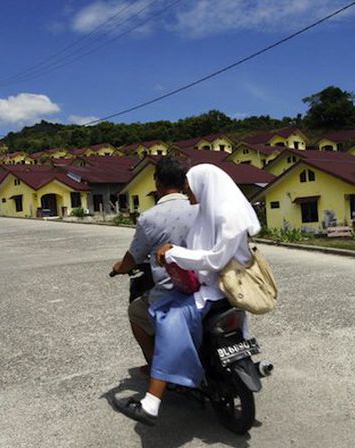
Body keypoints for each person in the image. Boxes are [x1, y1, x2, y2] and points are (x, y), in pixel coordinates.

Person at [113, 163, 261, 426]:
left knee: (169, 322)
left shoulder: (225, 217)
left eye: (190, 186)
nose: (187, 192)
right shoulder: (208, 212)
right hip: (218, 289)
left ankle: (152, 400)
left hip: (211, 291)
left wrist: (172, 253)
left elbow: (214, 259)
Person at [112, 157, 197, 375]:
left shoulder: (149, 218)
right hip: (207, 284)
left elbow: (133, 256)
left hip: (176, 289)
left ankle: (156, 367)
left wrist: (119, 267)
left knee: (136, 312)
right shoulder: (200, 208)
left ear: (157, 183)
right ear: (184, 182)